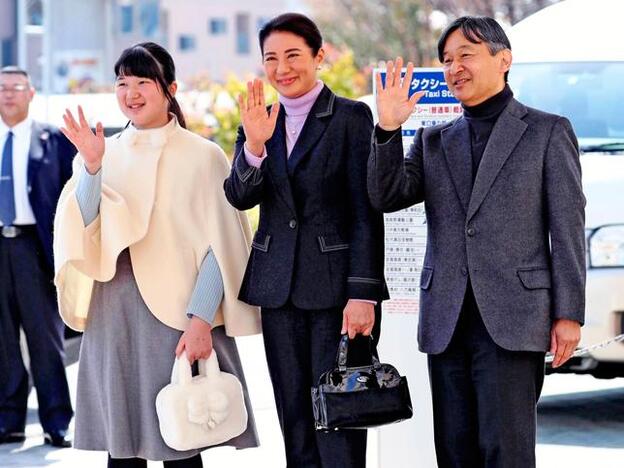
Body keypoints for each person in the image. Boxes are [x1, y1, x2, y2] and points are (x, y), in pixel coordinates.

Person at [367, 16, 585, 468]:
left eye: (466, 55)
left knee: (506, 451)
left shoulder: (547, 131)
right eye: (447, 60)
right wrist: (387, 131)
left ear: (503, 59)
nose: (454, 68)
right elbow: (386, 196)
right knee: (454, 451)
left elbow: (567, 228)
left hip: (513, 319)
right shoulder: (432, 139)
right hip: (447, 320)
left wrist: (568, 313)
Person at [53, 42, 261, 467]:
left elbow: (219, 246)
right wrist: (91, 168)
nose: (131, 93)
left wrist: (201, 320)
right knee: (122, 447)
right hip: (114, 315)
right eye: (122, 83)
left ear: (170, 88)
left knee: (181, 444)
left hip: (179, 317)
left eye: (142, 82)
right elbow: (85, 229)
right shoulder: (102, 151)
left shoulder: (203, 155)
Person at [224, 13, 387, 468]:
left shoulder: (352, 117)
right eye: (271, 59)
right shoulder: (258, 120)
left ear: (319, 56)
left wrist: (362, 293)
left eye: (293, 55)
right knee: (293, 417)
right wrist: (254, 147)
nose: (282, 68)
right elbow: (239, 197)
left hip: (336, 292)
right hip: (278, 290)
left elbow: (364, 209)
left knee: (339, 415)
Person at [0, 66, 74, 448]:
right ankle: (8, 420)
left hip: (34, 248)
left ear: (30, 93)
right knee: (3, 341)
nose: (8, 95)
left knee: (46, 340)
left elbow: (72, 194)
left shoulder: (53, 139)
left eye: (15, 88)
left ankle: (57, 420)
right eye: (2, 89)